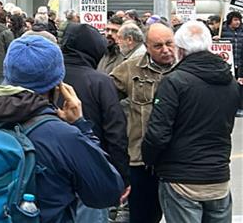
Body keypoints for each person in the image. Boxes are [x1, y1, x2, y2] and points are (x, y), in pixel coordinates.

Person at [0, 35, 125, 222]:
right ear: (58, 84)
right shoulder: (65, 136)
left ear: (8, 74)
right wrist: (81, 126)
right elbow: (107, 192)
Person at [142, 21, 237, 222]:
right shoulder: (230, 82)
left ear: (181, 49)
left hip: (181, 179)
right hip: (218, 176)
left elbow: (158, 134)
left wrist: (150, 160)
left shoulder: (175, 81)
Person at [60, 23, 131, 221]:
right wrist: (122, 177)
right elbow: (115, 132)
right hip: (92, 169)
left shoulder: (50, 77)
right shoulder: (100, 81)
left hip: (52, 167)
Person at [110, 23, 176, 223]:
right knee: (143, 217)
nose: (165, 50)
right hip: (141, 159)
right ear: (146, 46)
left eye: (169, 43)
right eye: (158, 46)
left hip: (177, 160)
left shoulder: (185, 67)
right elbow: (106, 96)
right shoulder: (131, 68)